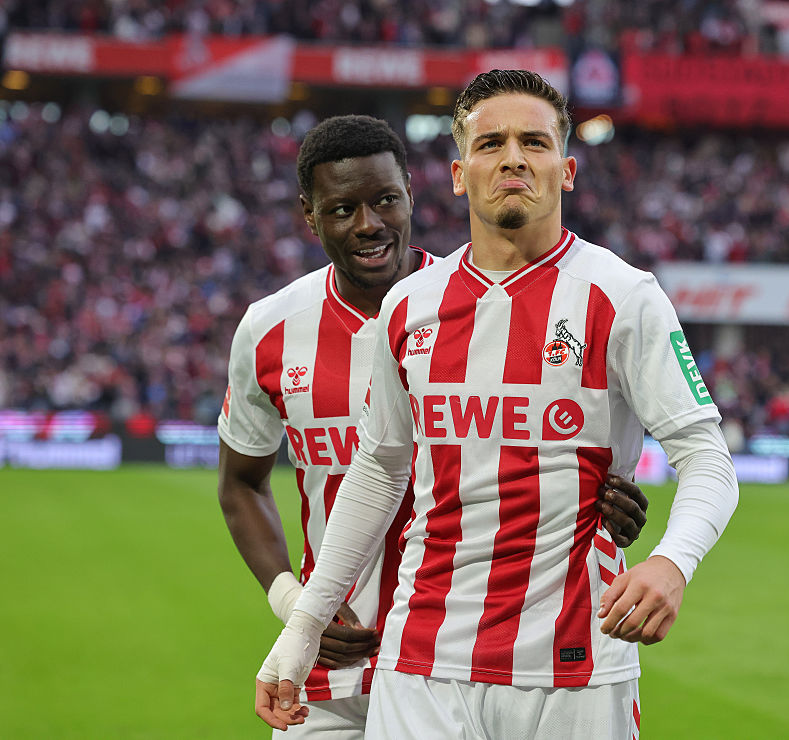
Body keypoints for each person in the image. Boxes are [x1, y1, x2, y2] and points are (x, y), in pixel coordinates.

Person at [255, 70, 739, 739]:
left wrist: (671, 561)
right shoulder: (410, 305)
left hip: (574, 663)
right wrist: (304, 624)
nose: (513, 158)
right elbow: (379, 469)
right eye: (491, 143)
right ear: (460, 175)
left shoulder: (623, 297)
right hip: (422, 659)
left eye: (534, 142)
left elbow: (707, 458)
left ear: (566, 170)